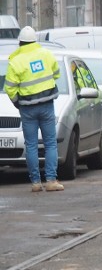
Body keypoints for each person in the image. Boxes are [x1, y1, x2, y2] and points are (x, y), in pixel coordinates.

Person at [5, 26, 63, 192]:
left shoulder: (15, 61)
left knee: (31, 145)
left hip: (27, 108)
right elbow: (56, 74)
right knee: (50, 143)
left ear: (20, 43)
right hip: (46, 105)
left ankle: (36, 183)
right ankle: (51, 181)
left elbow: (10, 88)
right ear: (34, 41)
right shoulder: (45, 54)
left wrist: (17, 102)